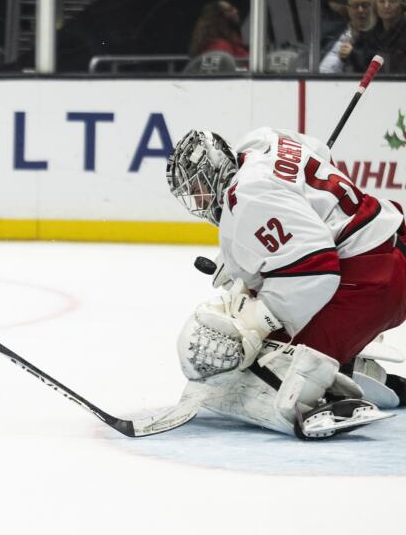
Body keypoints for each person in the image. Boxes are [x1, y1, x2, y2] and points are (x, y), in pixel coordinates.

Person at [166, 128, 406, 439]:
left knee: (265, 365)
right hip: (390, 244)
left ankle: (324, 395)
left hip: (376, 281)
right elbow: (321, 151)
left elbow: (316, 271)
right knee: (272, 338)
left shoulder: (247, 198)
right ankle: (364, 373)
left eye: (198, 187)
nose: (199, 199)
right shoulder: (263, 141)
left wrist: (257, 320)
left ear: (214, 170)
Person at [349, 0, 406, 73]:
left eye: (392, 1)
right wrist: (352, 54)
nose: (386, 5)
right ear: (375, 6)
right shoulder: (366, 36)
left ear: (402, 4)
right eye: (381, 1)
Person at [319, 0, 376, 73]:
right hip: (315, 79)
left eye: (365, 5)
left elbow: (376, 69)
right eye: (355, 5)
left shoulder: (377, 35)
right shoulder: (333, 30)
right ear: (348, 9)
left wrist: (353, 55)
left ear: (373, 8)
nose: (360, 10)